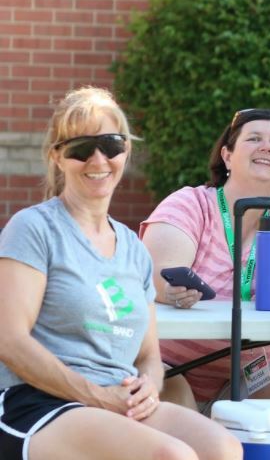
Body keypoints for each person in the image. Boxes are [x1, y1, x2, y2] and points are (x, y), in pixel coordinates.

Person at [0, 87, 242, 460]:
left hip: (119, 399)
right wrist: (95, 395)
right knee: (172, 456)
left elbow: (148, 353)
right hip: (38, 403)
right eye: (81, 147)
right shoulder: (33, 229)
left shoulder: (132, 247)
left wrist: (149, 384)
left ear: (126, 150)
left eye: (111, 143)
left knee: (223, 448)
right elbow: (9, 341)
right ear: (57, 157)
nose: (98, 158)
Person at [140, 108, 270, 413]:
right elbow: (159, 275)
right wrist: (171, 290)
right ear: (227, 156)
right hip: (173, 367)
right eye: (254, 138)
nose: (266, 146)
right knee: (180, 403)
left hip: (250, 375)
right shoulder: (191, 203)